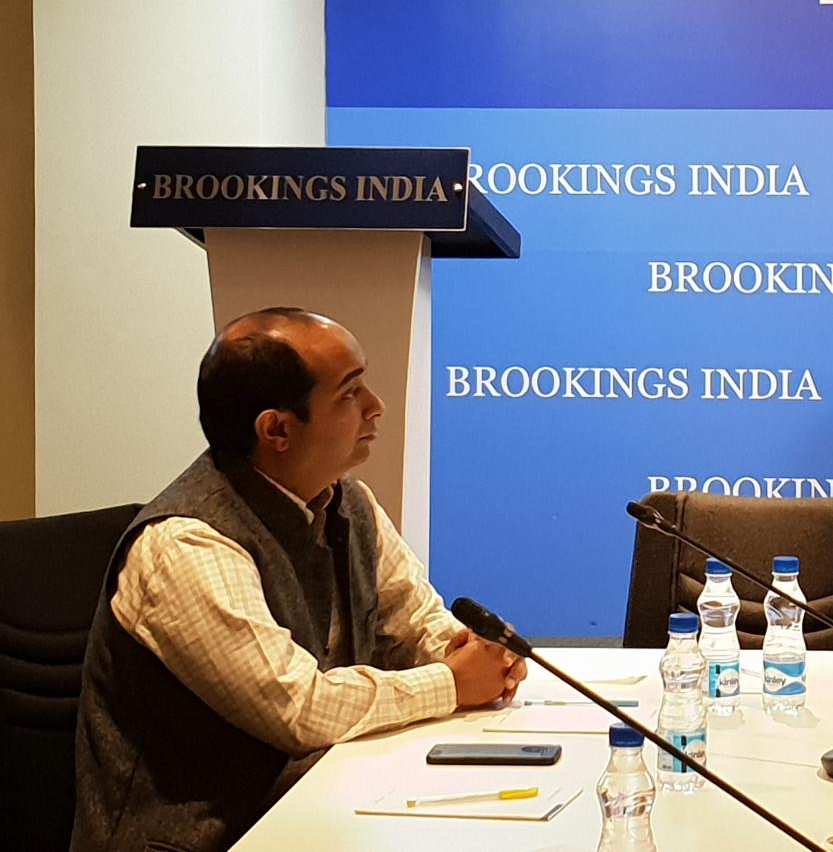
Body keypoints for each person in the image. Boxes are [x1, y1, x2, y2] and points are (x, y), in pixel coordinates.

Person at [73, 308, 527, 852]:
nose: (375, 406)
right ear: (277, 429)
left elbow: (411, 619)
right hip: (204, 839)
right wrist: (452, 683)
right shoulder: (185, 545)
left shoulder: (347, 501)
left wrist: (467, 652)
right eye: (350, 393)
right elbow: (300, 709)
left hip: (319, 809)